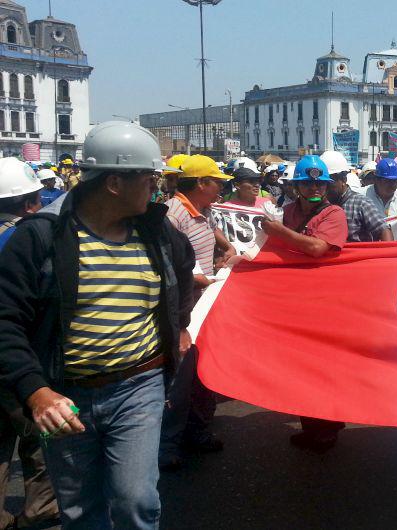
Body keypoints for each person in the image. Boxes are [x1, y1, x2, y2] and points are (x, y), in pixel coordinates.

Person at [0, 121, 195, 529]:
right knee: (80, 509)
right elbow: (6, 322)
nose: (155, 187)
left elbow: (183, 271)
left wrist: (179, 325)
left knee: (135, 499)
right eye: (148, 177)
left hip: (138, 387)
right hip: (66, 395)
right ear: (114, 183)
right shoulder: (40, 238)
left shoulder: (156, 231)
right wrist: (37, 394)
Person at [261, 156, 350, 452]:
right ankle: (315, 423)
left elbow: (316, 248)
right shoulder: (285, 212)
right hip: (294, 298)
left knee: (322, 365)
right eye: (308, 182)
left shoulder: (334, 213)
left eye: (319, 183)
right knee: (300, 365)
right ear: (296, 186)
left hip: (325, 301)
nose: (314, 188)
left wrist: (280, 232)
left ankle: (325, 427)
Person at [159, 155, 235, 471]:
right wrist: (198, 278)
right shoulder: (172, 215)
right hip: (182, 307)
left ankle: (198, 431)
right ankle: (166, 447)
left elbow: (217, 238)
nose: (221, 187)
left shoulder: (204, 210)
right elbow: (165, 265)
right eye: (217, 182)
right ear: (201, 183)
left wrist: (228, 249)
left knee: (204, 373)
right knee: (179, 379)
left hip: (204, 304)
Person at [0, 158, 59, 529]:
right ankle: (40, 508)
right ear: (28, 203)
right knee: (40, 436)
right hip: (25, 355)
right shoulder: (29, 238)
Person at [323, 152, 394, 242]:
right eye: (322, 183)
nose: (324, 187)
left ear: (343, 179)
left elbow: (384, 231)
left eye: (329, 182)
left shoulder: (361, 204)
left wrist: (389, 254)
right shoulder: (321, 205)